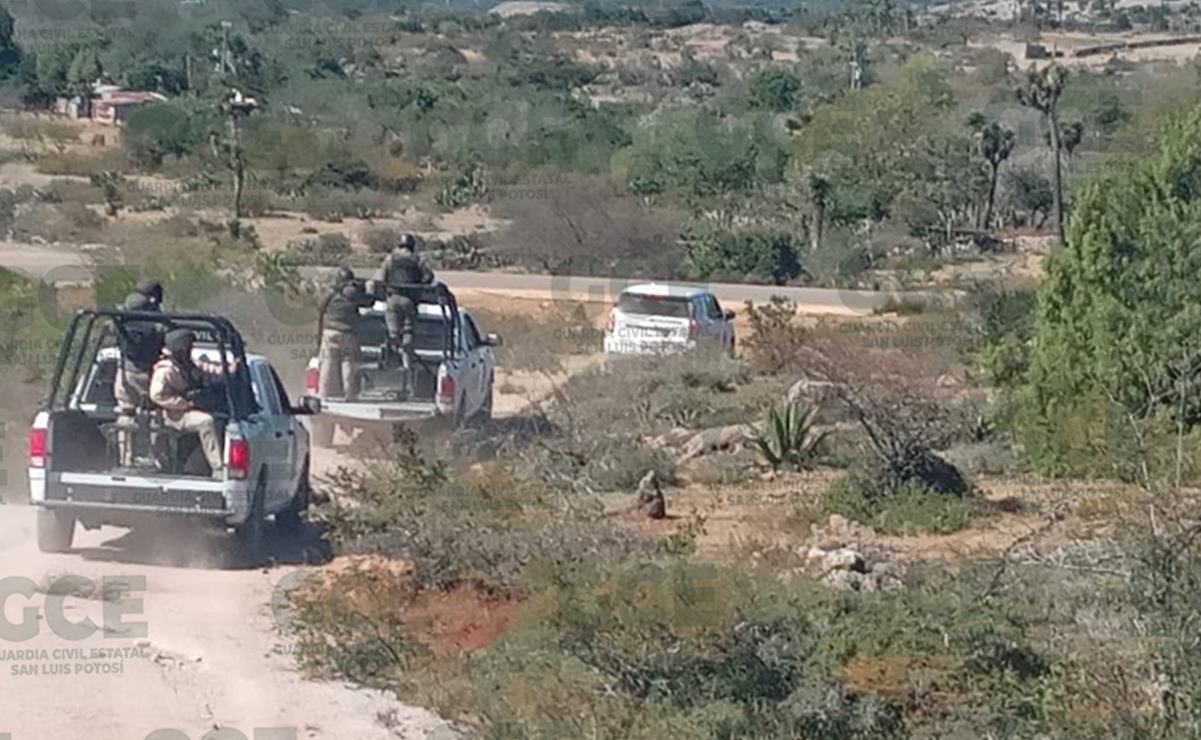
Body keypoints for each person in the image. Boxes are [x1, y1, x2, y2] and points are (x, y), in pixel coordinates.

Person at [149, 329, 237, 478]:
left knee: (220, 419)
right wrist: (184, 403)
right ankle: (218, 469)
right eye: (188, 347)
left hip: (185, 412)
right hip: (172, 415)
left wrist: (229, 370)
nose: (190, 351)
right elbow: (156, 395)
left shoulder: (186, 365)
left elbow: (208, 369)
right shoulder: (166, 370)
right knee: (207, 421)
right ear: (180, 349)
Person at [372, 234, 434, 371]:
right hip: (410, 301)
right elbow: (429, 276)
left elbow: (380, 278)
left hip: (393, 299)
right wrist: (418, 287)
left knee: (393, 333)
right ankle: (407, 364)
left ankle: (389, 361)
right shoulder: (418, 259)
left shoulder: (391, 258)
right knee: (408, 333)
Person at [317, 267, 375, 400]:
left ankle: (322, 395)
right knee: (347, 362)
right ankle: (349, 394)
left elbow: (320, 307)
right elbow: (369, 302)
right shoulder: (353, 293)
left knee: (327, 363)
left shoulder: (330, 293)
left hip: (329, 331)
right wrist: (370, 289)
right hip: (347, 333)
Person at [113, 292, 164, 414]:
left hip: (125, 372)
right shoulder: (156, 330)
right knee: (151, 415)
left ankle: (124, 431)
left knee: (126, 413)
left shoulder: (120, 326)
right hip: (148, 375)